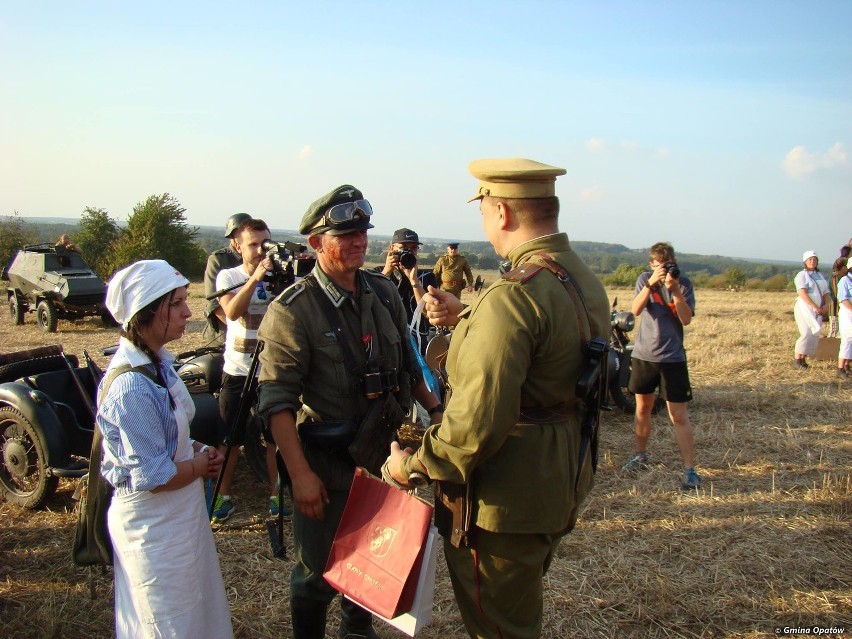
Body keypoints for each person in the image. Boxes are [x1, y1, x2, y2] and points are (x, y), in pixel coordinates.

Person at [386, 158, 610, 639]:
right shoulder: (579, 279)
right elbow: (548, 347)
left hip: (502, 500)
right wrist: (469, 316)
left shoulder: (513, 297)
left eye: (483, 209)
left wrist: (409, 466)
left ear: (502, 213)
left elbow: (473, 426)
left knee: (501, 628)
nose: (484, 221)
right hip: (558, 477)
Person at [255, 185, 443, 639]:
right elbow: (277, 403)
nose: (360, 241)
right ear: (316, 243)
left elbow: (408, 368)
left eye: (362, 232)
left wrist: (437, 415)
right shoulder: (293, 311)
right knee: (316, 576)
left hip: (383, 460)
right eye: (346, 234)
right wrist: (299, 476)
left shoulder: (383, 293)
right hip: (329, 467)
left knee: (368, 568)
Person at [97, 259, 232, 639]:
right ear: (145, 311)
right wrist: (201, 465)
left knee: (194, 610)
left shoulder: (159, 366)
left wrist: (196, 447)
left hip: (178, 516)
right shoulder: (132, 388)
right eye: (175, 304)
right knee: (167, 618)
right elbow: (153, 477)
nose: (188, 312)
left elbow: (169, 436)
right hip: (154, 527)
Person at [210, 217, 285, 523]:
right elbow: (231, 312)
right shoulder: (229, 275)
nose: (259, 249)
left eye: (264, 242)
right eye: (253, 244)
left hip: (270, 372)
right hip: (239, 370)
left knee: (275, 439)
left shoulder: (279, 277)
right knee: (230, 438)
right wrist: (255, 278)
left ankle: (277, 497)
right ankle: (221, 498)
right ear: (237, 246)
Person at [620, 243, 700, 489]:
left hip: (673, 358)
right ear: (651, 265)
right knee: (642, 408)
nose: (663, 270)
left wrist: (674, 290)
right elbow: (635, 310)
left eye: (667, 265)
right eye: (658, 266)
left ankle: (689, 469)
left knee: (679, 416)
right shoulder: (644, 279)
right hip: (645, 355)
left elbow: (685, 319)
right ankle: (640, 455)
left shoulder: (682, 283)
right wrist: (650, 284)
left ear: (673, 262)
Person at [378, 227, 438, 355]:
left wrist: (414, 281)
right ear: (391, 249)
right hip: (385, 344)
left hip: (417, 345)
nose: (408, 252)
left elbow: (428, 312)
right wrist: (386, 273)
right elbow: (370, 302)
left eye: (413, 248)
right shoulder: (377, 274)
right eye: (403, 247)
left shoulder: (427, 277)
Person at [204, 212, 253, 343]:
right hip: (224, 335)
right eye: (238, 233)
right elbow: (214, 302)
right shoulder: (219, 260)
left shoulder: (259, 259)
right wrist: (241, 330)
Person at [792, 250, 830, 370]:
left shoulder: (820, 276)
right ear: (805, 261)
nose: (812, 261)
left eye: (814, 259)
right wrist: (814, 306)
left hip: (818, 309)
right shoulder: (801, 275)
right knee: (806, 332)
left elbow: (826, 293)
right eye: (810, 259)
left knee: (814, 332)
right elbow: (802, 292)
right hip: (805, 308)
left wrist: (826, 306)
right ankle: (797, 359)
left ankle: (804, 358)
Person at [835, 257, 852, 379]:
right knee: (847, 339)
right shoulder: (844, 281)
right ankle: (840, 368)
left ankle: (847, 365)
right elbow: (843, 299)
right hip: (847, 313)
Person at [828, 257, 848, 338]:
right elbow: (836, 295)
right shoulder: (835, 278)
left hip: (842, 306)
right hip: (835, 306)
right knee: (834, 331)